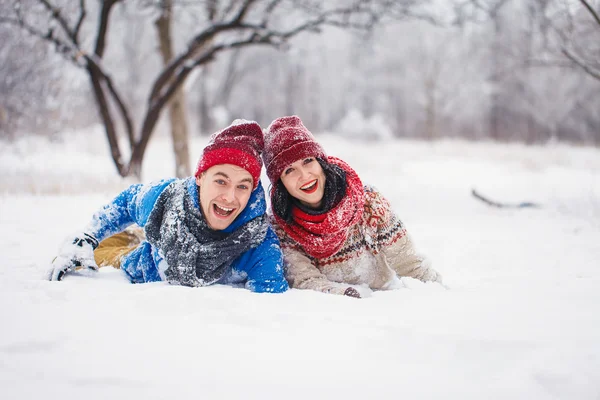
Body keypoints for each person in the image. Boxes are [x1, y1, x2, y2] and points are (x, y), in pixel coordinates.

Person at [48, 120, 289, 294]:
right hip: (137, 264)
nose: (229, 197)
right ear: (200, 177)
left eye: (242, 187)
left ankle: (135, 236)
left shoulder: (258, 242)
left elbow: (267, 310)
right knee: (106, 252)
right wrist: (89, 237)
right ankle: (132, 237)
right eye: (220, 181)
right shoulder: (165, 200)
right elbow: (126, 201)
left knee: (134, 238)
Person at [262, 115, 442, 298]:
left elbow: (410, 265)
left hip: (385, 304)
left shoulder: (369, 202)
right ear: (281, 184)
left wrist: (443, 295)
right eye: (289, 170)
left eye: (308, 161)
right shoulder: (282, 225)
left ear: (321, 161)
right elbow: (306, 280)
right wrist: (350, 297)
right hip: (330, 314)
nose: (304, 175)